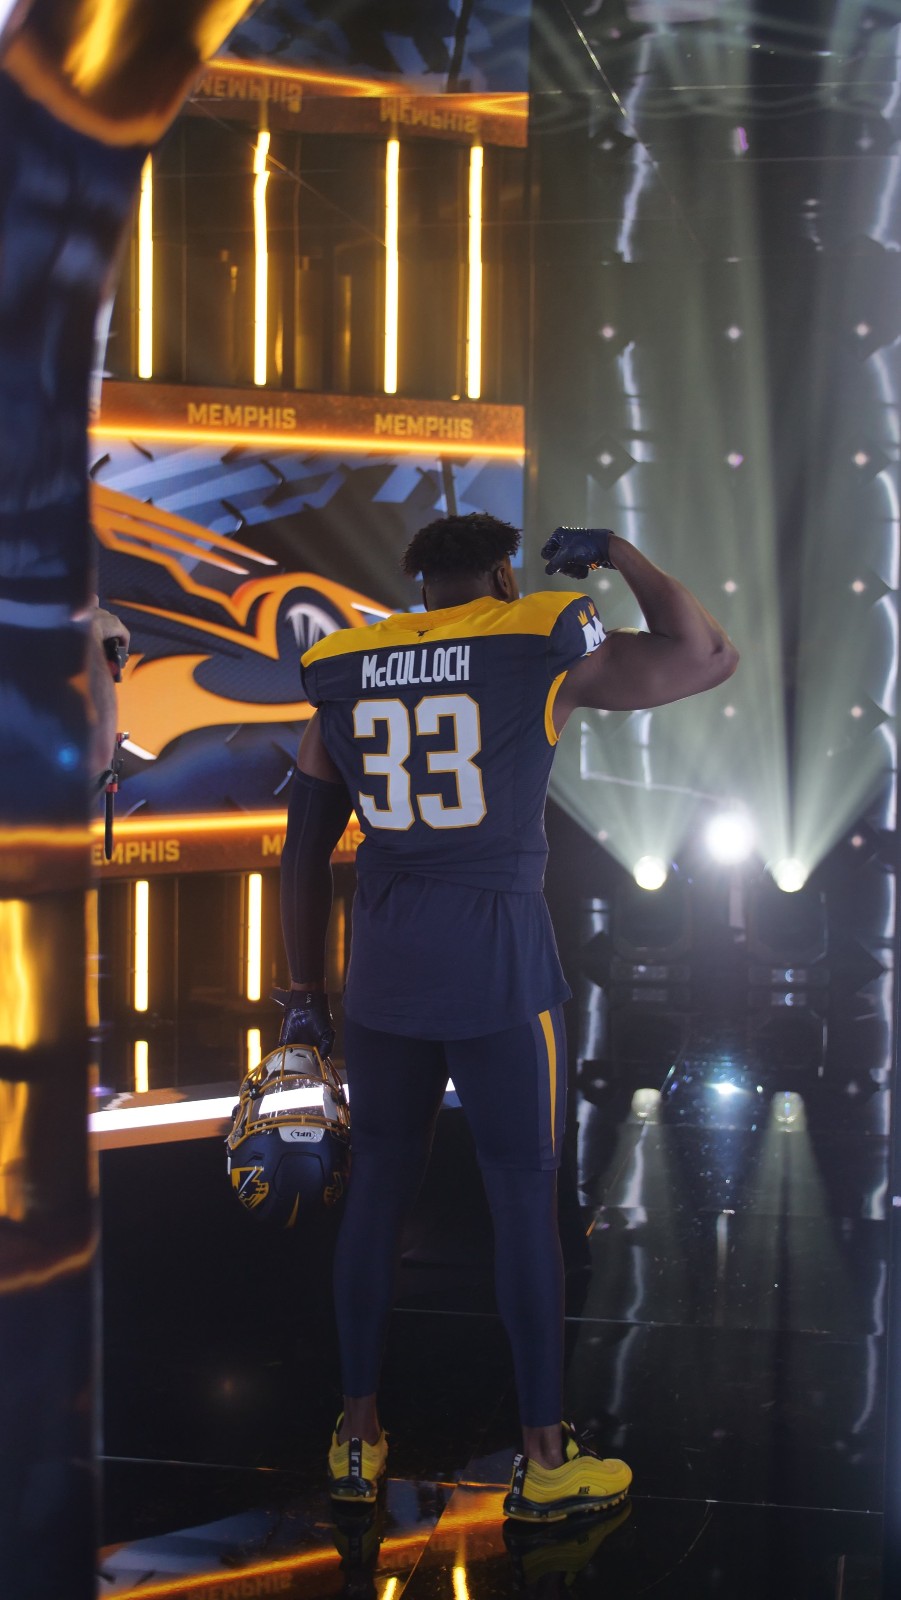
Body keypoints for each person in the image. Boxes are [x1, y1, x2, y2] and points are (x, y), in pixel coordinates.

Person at [276, 516, 738, 1522]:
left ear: (417, 585)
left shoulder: (344, 666)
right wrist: (617, 554)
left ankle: (355, 1438)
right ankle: (543, 1460)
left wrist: (300, 1002)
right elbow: (708, 654)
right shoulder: (536, 643)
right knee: (523, 1200)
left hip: (385, 968)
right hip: (498, 963)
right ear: (497, 573)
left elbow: (301, 852)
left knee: (376, 1195)